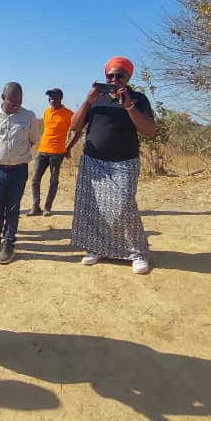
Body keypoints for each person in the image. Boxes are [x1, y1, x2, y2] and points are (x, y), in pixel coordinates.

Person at [69, 56, 157, 275]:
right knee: (93, 208)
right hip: (93, 162)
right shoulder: (95, 98)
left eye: (120, 75)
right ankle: (96, 248)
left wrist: (128, 106)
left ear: (128, 77)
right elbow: (75, 125)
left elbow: (148, 130)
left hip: (124, 162)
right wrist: (87, 101)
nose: (114, 79)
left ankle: (137, 253)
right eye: (110, 75)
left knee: (124, 207)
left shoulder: (138, 98)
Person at [0, 82, 39, 264]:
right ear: (3, 98)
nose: (17, 104)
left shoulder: (28, 116)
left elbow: (32, 140)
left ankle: (8, 244)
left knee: (13, 209)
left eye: (19, 101)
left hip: (19, 170)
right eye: (12, 101)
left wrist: (15, 155)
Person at [27, 87, 82, 217]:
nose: (51, 99)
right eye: (49, 97)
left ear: (60, 98)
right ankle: (35, 207)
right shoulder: (46, 112)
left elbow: (78, 130)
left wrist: (68, 148)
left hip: (57, 152)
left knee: (53, 180)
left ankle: (47, 207)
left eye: (54, 96)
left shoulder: (69, 114)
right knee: (35, 179)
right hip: (42, 150)